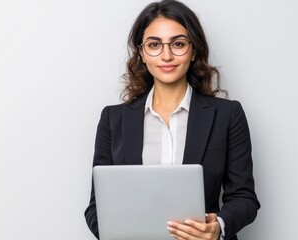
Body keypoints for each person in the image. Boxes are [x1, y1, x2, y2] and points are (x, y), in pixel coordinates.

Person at [84, 0, 260, 239]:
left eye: (178, 44)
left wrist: (218, 226)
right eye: (154, 44)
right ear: (142, 53)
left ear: (194, 50)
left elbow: (244, 198)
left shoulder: (227, 115)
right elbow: (96, 209)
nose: (166, 55)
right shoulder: (113, 119)